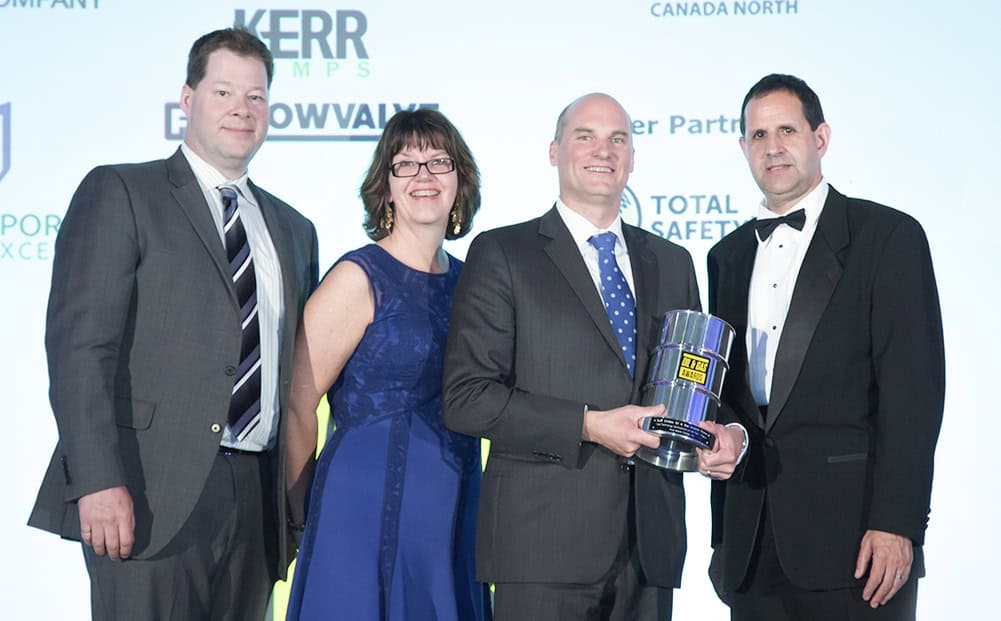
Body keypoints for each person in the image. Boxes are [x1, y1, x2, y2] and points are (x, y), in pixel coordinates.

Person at [27, 28, 319, 620]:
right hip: (145, 491)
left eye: (257, 97)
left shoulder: (294, 229)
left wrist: (292, 507)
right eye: (224, 92)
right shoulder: (123, 192)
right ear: (187, 99)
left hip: (256, 498)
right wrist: (96, 481)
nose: (242, 109)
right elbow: (80, 349)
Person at [442, 92, 746, 620]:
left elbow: (696, 384)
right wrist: (588, 425)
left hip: (649, 547)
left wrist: (727, 434)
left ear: (632, 157)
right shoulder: (504, 253)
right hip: (542, 549)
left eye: (618, 139)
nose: (602, 150)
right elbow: (468, 398)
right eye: (585, 136)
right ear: (555, 151)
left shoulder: (673, 262)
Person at [706, 73, 945, 620]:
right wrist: (723, 533)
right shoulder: (727, 255)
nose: (773, 147)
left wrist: (898, 524)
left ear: (821, 138)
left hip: (858, 545)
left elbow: (915, 395)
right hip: (751, 546)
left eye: (786, 130)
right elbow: (733, 396)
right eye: (758, 136)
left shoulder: (887, 237)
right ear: (743, 148)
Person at [284, 108, 490, 621]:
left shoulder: (476, 282)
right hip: (361, 510)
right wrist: (297, 513)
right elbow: (297, 403)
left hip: (455, 503)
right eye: (406, 164)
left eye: (438, 162)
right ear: (386, 185)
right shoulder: (358, 276)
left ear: (460, 181)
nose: (424, 176)